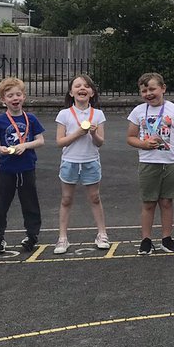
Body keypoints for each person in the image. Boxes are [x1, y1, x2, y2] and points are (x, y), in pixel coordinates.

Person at [126, 72, 174, 255]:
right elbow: (130, 138)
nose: (149, 93)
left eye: (152, 89)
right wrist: (144, 144)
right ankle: (146, 240)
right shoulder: (138, 111)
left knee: (166, 202)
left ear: (163, 88)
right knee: (148, 203)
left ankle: (166, 238)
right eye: (144, 90)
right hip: (148, 163)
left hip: (170, 163)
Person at [0, 76, 46, 254]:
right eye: (10, 95)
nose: (15, 98)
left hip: (27, 168)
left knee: (30, 204)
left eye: (18, 94)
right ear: (3, 100)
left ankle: (32, 236)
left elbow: (40, 141)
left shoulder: (31, 118)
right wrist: (1, 149)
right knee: (1, 205)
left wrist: (25, 145)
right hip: (7, 169)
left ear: (24, 97)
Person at [53, 74, 109, 254]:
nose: (82, 88)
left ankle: (102, 233)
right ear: (71, 92)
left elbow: (100, 142)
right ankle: (62, 237)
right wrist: (78, 133)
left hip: (90, 161)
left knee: (95, 197)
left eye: (86, 86)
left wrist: (92, 134)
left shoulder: (98, 114)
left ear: (92, 92)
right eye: (77, 86)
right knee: (66, 199)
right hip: (70, 161)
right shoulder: (64, 114)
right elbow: (60, 142)